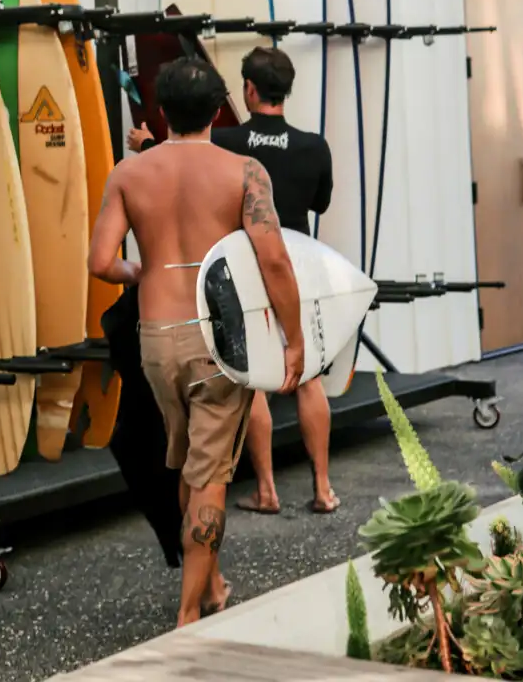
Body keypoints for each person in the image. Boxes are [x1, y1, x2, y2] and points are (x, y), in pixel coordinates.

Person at [89, 56, 305, 628]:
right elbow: (275, 260)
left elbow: (100, 262)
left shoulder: (128, 174)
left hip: (157, 341)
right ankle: (189, 617)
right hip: (216, 344)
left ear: (161, 112)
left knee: (188, 465)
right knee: (209, 478)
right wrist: (294, 337)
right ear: (217, 110)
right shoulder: (244, 172)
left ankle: (210, 588)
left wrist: (143, 273)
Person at [127, 46, 337, 515]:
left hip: (242, 275)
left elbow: (182, 162)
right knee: (307, 378)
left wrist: (144, 146)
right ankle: (323, 488)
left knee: (255, 381)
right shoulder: (313, 146)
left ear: (247, 89)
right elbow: (320, 203)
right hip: (295, 266)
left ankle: (266, 489)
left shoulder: (225, 142)